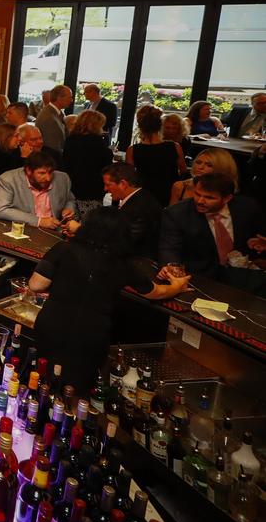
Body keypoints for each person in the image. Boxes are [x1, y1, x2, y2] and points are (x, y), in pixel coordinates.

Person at [29, 207, 191, 394]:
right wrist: (177, 286)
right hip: (91, 335)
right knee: (77, 389)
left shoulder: (63, 249)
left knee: (40, 378)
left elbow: (36, 285)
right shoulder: (122, 264)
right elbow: (156, 292)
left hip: (52, 325)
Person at [159, 173, 266, 293]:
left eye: (209, 198)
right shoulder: (177, 214)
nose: (200, 201)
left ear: (227, 198)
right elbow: (169, 248)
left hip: (244, 276)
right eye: (197, 194)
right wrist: (172, 270)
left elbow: (260, 236)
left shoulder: (248, 207)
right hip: (200, 278)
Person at [0, 150, 76, 231]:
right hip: (24, 229)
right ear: (28, 171)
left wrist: (68, 209)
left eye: (50, 172)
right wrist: (39, 221)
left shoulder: (62, 179)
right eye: (42, 173)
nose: (48, 178)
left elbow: (69, 200)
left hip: (54, 231)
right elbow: (1, 210)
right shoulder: (8, 180)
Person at [102, 162, 163, 260]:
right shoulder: (141, 196)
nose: (105, 189)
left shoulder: (139, 208)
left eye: (108, 185)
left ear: (123, 184)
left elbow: (122, 244)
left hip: (137, 262)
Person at [126, 106, 185, 207]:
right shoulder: (174, 146)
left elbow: (130, 176)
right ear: (160, 127)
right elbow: (183, 170)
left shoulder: (132, 150)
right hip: (170, 192)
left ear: (141, 127)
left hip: (144, 193)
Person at [62, 109, 114, 220]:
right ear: (96, 126)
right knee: (89, 224)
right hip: (92, 192)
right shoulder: (100, 145)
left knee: (69, 222)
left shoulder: (70, 141)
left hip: (70, 189)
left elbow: (65, 165)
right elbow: (106, 170)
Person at [170, 147, 239, 204]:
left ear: (222, 168)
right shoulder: (180, 187)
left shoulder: (226, 192)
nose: (200, 167)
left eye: (209, 165)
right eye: (198, 162)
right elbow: (171, 214)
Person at [36, 84, 72, 155]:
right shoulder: (49, 118)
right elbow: (52, 149)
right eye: (69, 97)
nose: (71, 100)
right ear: (59, 98)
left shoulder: (54, 112)